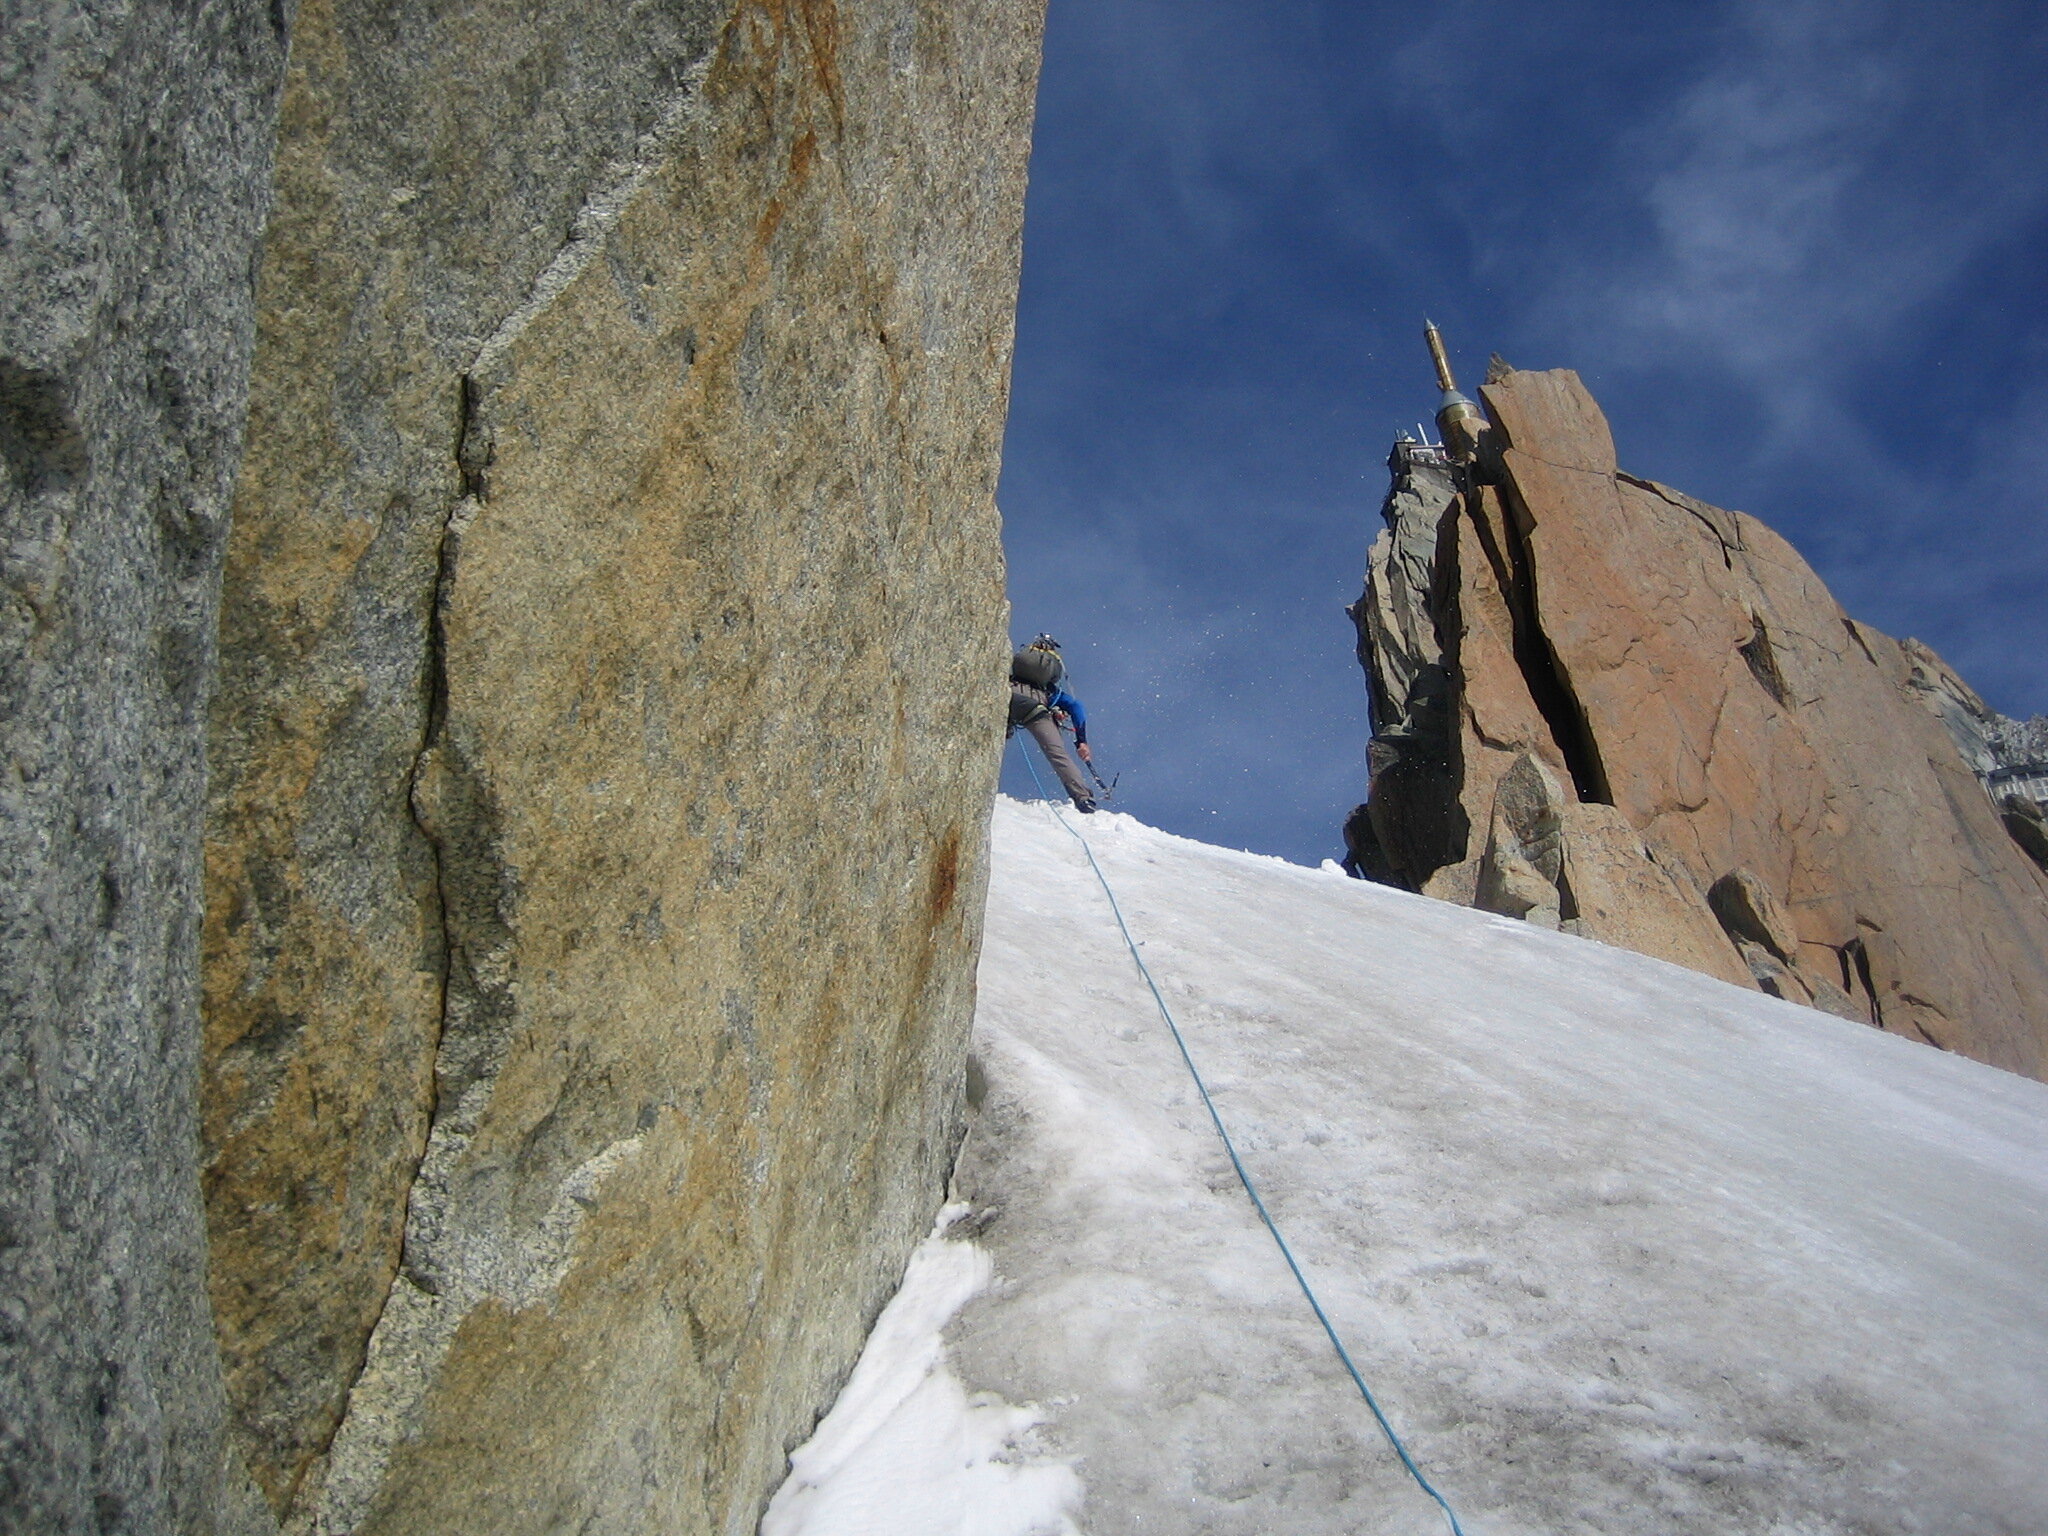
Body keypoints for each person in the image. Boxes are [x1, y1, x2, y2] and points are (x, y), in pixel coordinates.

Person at [1008, 634, 1097, 813]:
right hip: (1036, 710)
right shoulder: (1050, 691)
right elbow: (1076, 706)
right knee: (1058, 754)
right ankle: (1083, 797)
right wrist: (1082, 741)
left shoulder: (1011, 675)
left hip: (1008, 695)